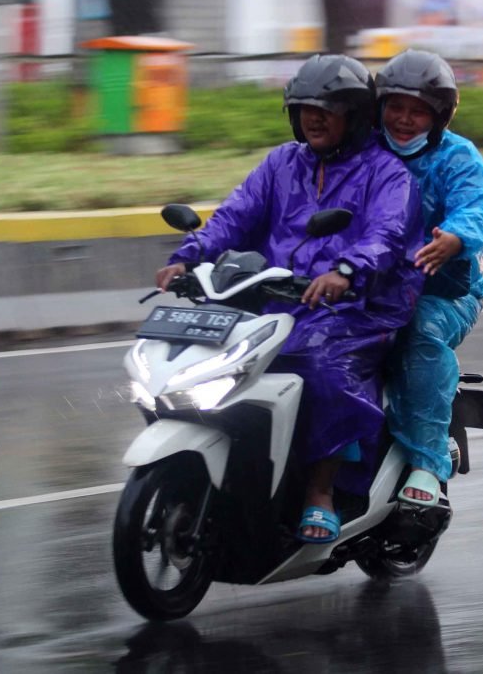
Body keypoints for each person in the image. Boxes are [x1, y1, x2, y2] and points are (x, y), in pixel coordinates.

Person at [156, 54, 422, 543]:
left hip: (360, 308)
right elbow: (234, 216)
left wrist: (347, 270)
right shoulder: (281, 163)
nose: (313, 118)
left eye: (328, 108)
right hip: (276, 299)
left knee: (319, 365)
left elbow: (386, 235)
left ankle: (320, 490)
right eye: (304, 108)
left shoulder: (387, 174)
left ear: (357, 115)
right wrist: (189, 256)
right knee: (201, 352)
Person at [375, 50, 483, 507]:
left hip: (446, 289)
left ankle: (427, 463)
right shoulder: (362, 149)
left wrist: (455, 238)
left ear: (439, 115)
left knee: (419, 332)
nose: (404, 119)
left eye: (418, 110)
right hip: (367, 285)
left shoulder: (457, 157)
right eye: (396, 107)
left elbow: (480, 204)